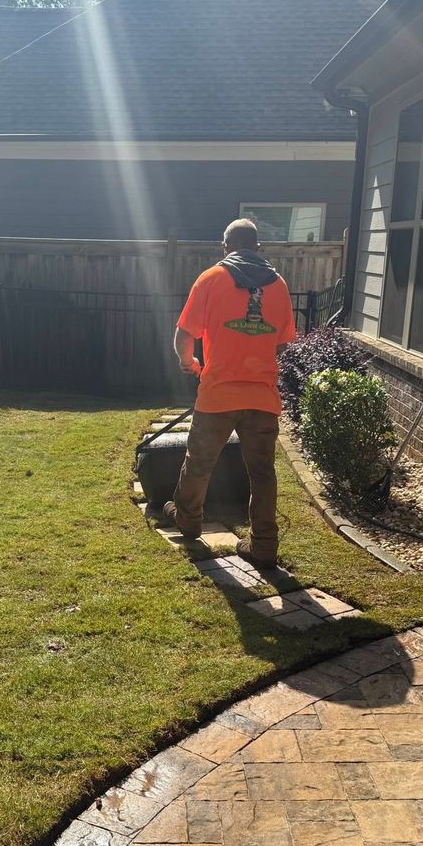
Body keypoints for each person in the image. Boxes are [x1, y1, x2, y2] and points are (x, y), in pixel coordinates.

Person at [163, 218, 296, 577]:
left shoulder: (210, 279)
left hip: (218, 394)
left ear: (225, 247)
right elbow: (282, 343)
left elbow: (184, 334)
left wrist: (188, 362)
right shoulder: (279, 285)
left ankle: (188, 520)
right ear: (258, 247)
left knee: (199, 462)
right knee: (262, 473)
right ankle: (264, 546)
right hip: (262, 397)